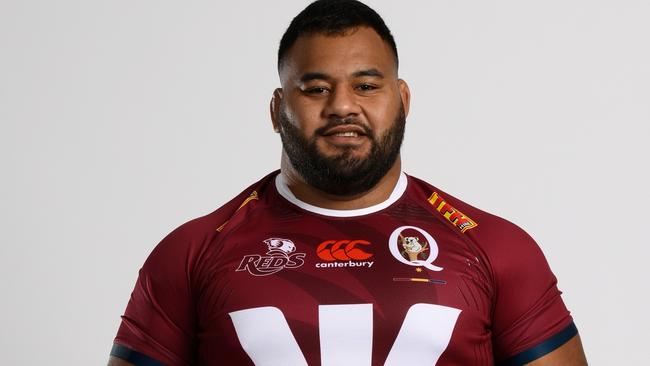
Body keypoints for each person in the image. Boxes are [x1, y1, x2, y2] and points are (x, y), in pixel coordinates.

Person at [108, 0, 588, 365]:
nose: (341, 105)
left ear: (401, 99)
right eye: (316, 88)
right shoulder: (191, 253)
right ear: (277, 110)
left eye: (365, 85)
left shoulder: (497, 249)